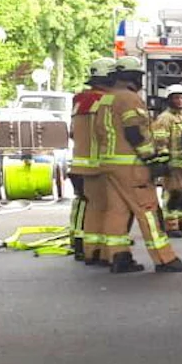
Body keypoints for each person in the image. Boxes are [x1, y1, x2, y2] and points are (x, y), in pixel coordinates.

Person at [96, 57, 182, 274]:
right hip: (131, 166)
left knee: (116, 212)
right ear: (131, 76)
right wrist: (151, 159)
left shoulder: (105, 100)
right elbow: (134, 132)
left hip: (109, 165)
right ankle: (165, 259)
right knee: (148, 210)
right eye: (139, 76)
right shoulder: (129, 98)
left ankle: (118, 257)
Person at [71, 59, 115, 263]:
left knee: (82, 202)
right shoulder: (107, 101)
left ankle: (80, 241)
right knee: (100, 205)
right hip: (98, 163)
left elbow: (73, 132)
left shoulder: (79, 99)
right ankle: (95, 246)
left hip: (79, 161)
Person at [151, 85, 182, 236]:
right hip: (173, 164)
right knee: (173, 193)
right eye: (176, 98)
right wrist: (163, 161)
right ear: (169, 100)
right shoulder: (165, 118)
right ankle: (171, 225)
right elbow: (159, 140)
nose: (180, 101)